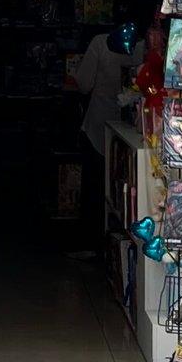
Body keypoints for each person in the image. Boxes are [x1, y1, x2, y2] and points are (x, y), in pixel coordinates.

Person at [66, 25, 131, 251]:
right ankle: (117, 250)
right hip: (132, 132)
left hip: (98, 127)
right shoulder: (148, 46)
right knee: (125, 194)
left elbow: (84, 85)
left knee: (95, 189)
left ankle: (91, 246)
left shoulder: (100, 43)